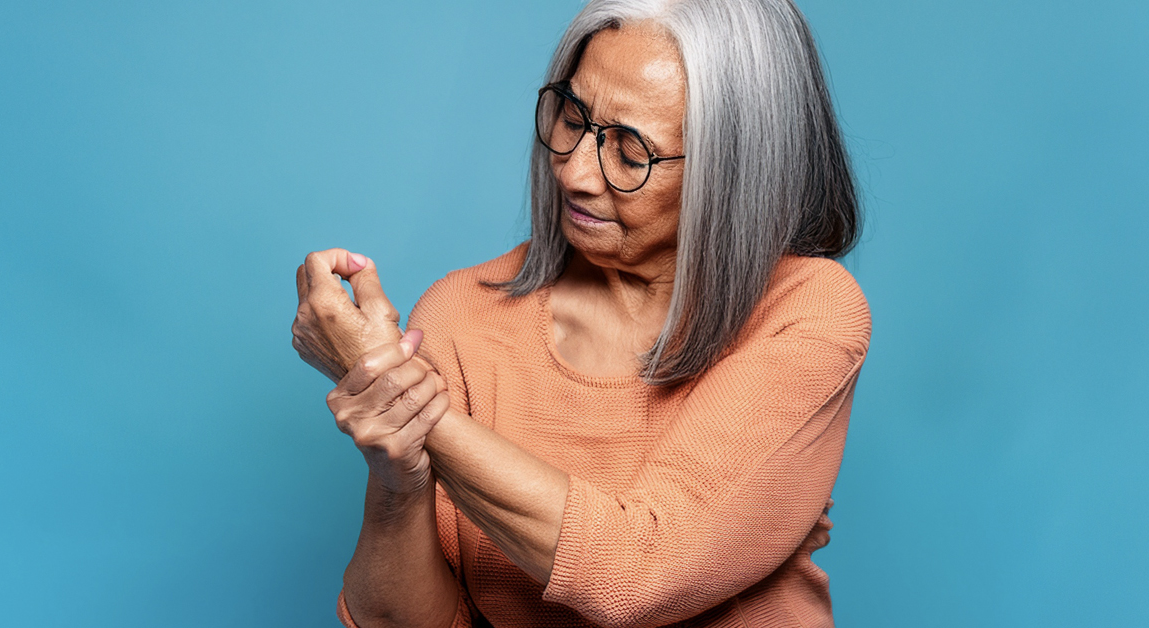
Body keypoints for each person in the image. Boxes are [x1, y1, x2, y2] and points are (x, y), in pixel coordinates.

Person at [290, 0, 866, 626]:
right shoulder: (463, 313)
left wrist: (389, 387)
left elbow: (641, 572)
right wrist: (398, 473)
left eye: (631, 151)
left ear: (736, 169)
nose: (574, 170)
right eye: (574, 116)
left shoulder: (804, 309)